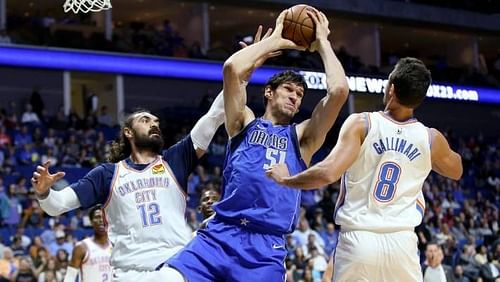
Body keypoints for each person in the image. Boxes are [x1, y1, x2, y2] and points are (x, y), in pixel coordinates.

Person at [166, 8, 349, 281]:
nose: (295, 97)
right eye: (289, 89)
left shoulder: (302, 138)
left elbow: (339, 92)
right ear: (268, 92)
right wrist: (273, 41)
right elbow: (232, 70)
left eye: (299, 94)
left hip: (265, 248)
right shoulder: (244, 122)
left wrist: (322, 42)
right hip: (219, 235)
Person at [267, 57, 463, 281]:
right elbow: (456, 170)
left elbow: (328, 173)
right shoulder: (430, 138)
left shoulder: (362, 124)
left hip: (359, 241)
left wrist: (287, 179)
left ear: (392, 88)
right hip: (403, 245)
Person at [31, 85, 225, 280]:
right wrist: (44, 192)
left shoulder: (174, 161)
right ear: (128, 132)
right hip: (129, 274)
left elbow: (215, 115)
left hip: (173, 268)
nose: (154, 124)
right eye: (145, 120)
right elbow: (57, 205)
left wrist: (240, 73)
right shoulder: (107, 174)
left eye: (156, 121)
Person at [64, 205, 111, 282]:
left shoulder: (116, 246)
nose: (101, 220)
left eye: (104, 216)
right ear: (91, 221)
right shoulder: (81, 247)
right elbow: (69, 278)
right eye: (97, 217)